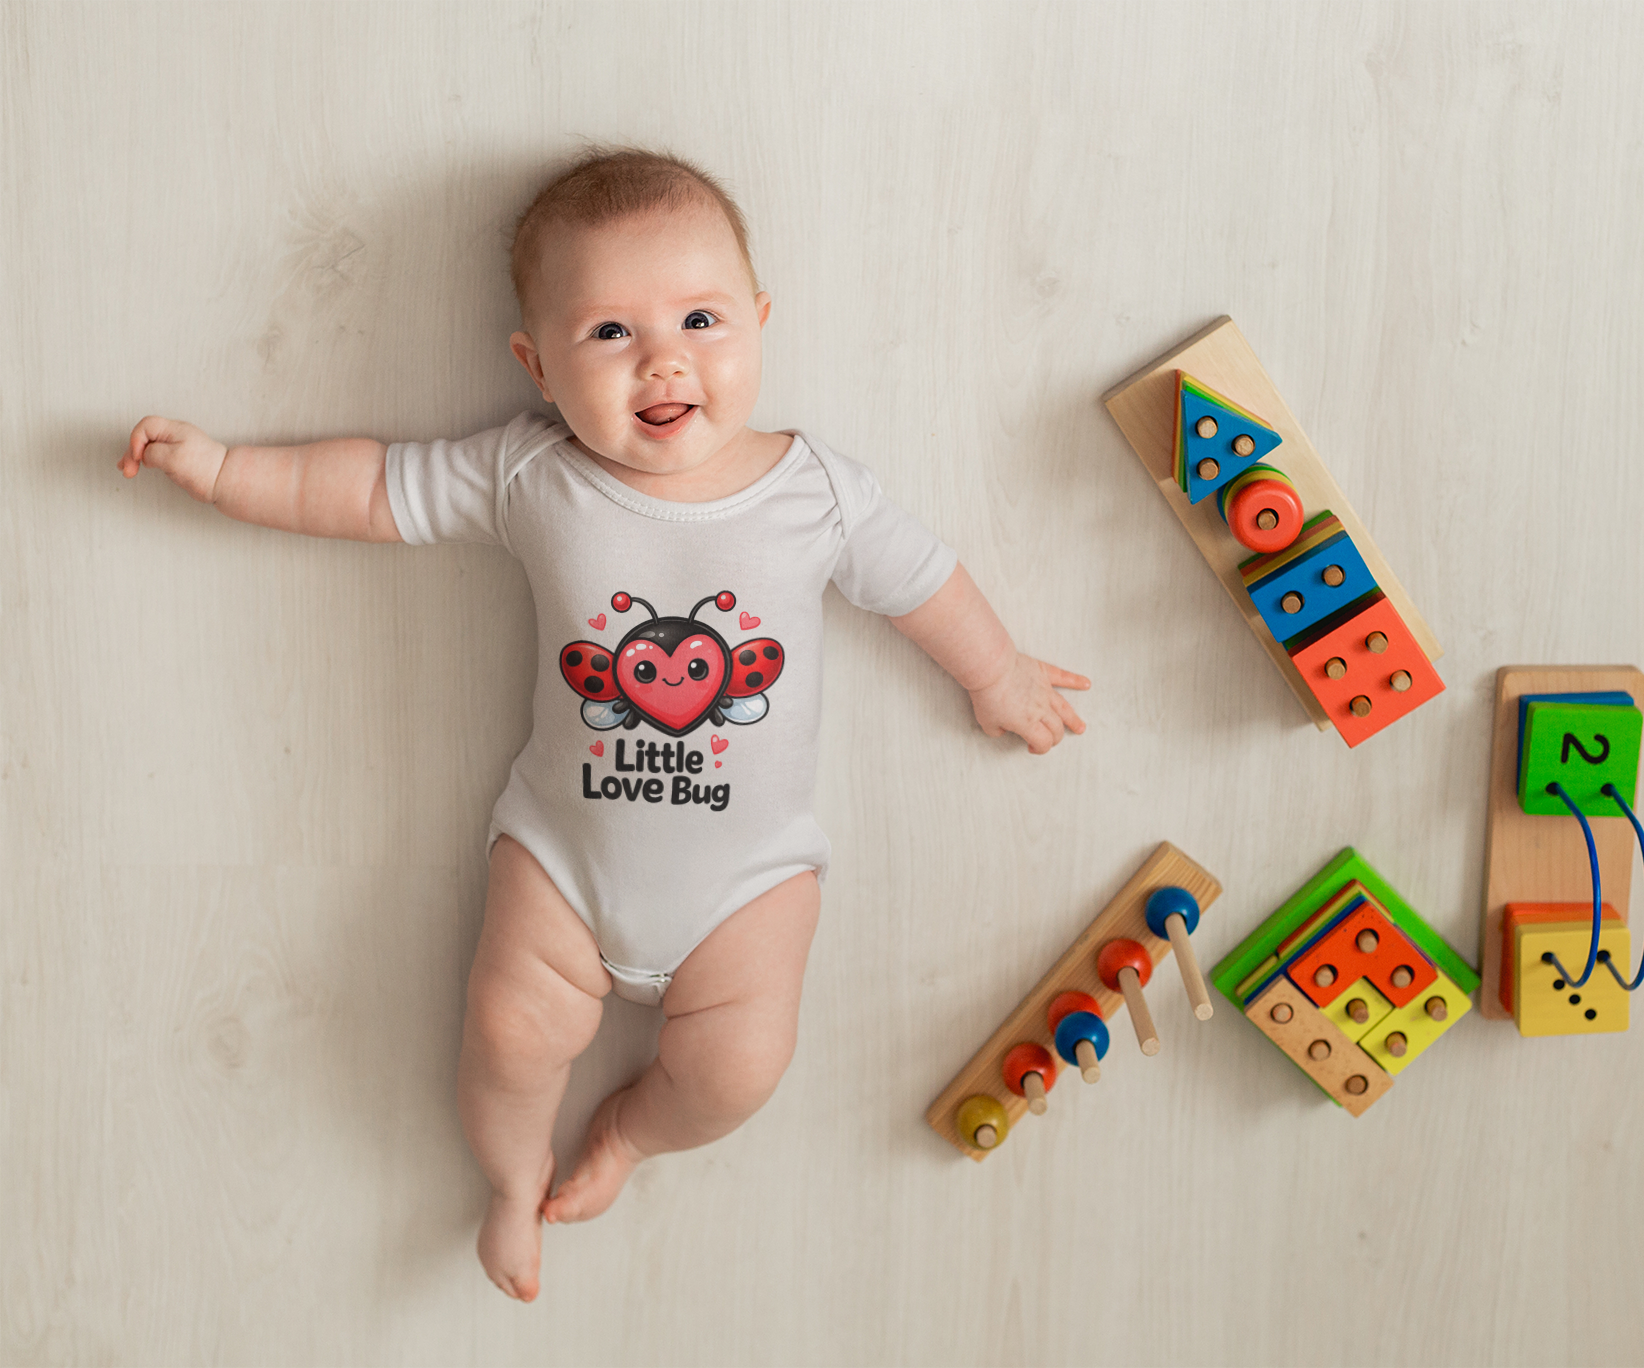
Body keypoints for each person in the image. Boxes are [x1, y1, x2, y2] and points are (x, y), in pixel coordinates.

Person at [119, 147, 1090, 1302]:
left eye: (700, 320)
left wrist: (997, 673)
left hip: (750, 884)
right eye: (610, 333)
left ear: (760, 321)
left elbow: (921, 582)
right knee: (506, 1035)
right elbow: (374, 488)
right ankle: (511, 1176)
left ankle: (629, 1135)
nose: (663, 359)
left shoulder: (816, 493)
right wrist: (227, 468)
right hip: (562, 868)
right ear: (536, 363)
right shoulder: (533, 474)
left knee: (741, 1069)